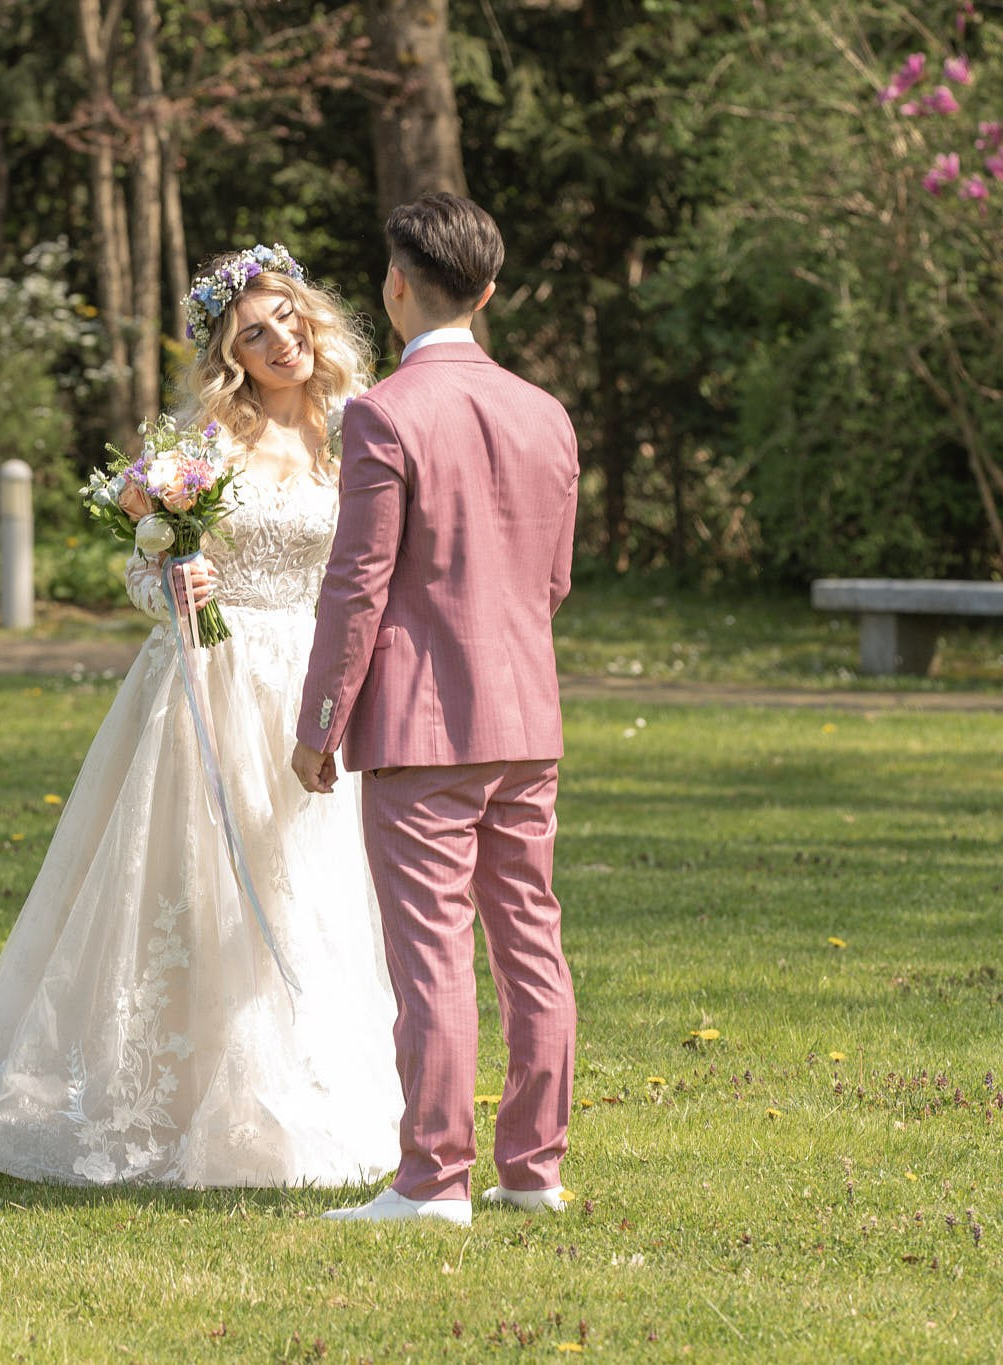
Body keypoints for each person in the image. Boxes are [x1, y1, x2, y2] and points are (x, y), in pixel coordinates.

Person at [0, 244, 402, 1188]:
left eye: (287, 318)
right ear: (233, 355)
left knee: (315, 873)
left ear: (311, 316)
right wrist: (172, 577)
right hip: (213, 679)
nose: (279, 340)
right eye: (253, 334)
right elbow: (146, 566)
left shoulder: (357, 430)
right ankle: (181, 1083)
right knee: (206, 877)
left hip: (316, 675)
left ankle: (322, 1069)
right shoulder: (210, 443)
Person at [292, 193, 581, 1227]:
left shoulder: (383, 413)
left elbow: (356, 585)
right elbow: (549, 581)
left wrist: (320, 721)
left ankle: (429, 1181)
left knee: (432, 958)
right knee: (530, 944)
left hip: (421, 729)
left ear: (395, 285)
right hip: (526, 720)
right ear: (490, 292)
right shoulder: (545, 411)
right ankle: (533, 1171)